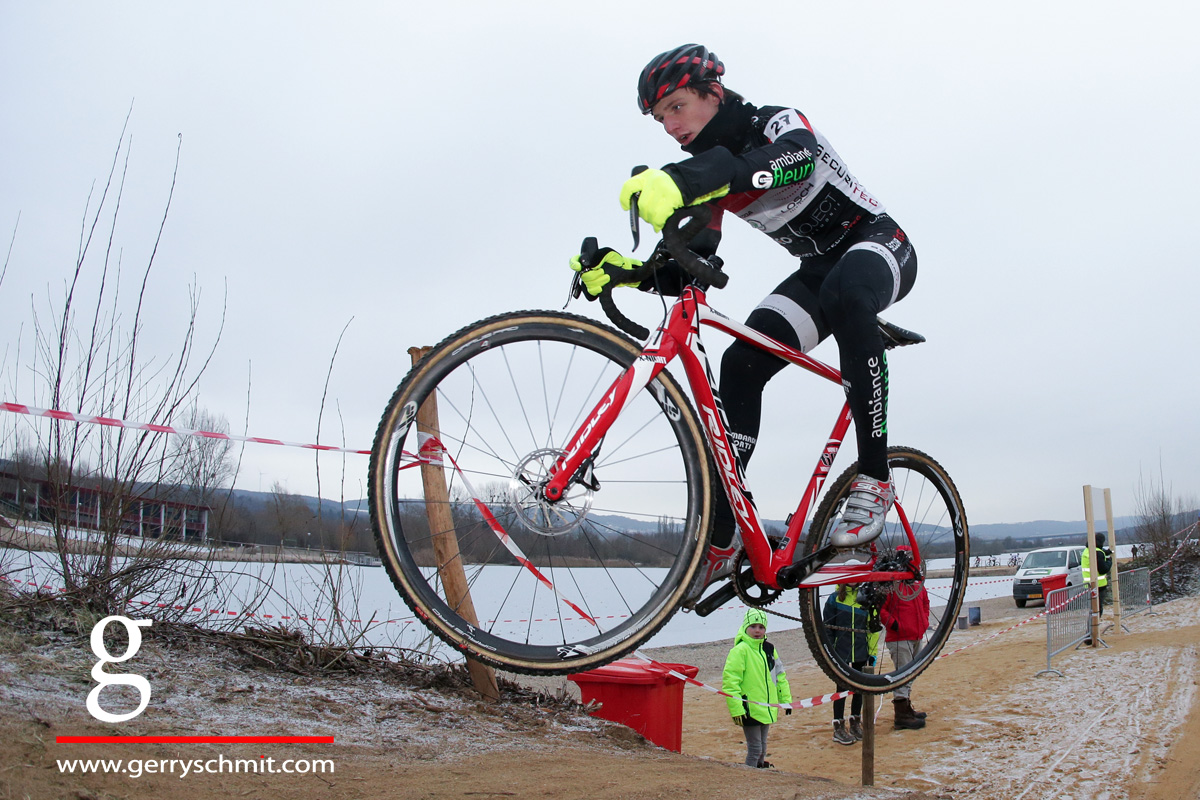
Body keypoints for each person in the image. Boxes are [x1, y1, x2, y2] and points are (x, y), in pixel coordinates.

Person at [569, 44, 918, 603]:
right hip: (818, 271)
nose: (670, 126)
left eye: (677, 108)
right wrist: (624, 272)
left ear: (713, 91)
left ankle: (874, 480)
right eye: (662, 119)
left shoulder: (771, 121)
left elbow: (795, 157)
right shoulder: (707, 172)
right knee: (741, 362)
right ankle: (727, 533)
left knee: (848, 291)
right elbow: (690, 267)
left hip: (881, 244)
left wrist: (689, 179)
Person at [721, 608, 792, 767]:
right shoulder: (740, 650)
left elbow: (779, 675)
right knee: (755, 748)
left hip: (767, 707)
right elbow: (730, 682)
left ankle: (760, 771)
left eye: (761, 627)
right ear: (746, 627)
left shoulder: (769, 648)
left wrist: (786, 700)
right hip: (749, 708)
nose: (757, 631)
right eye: (753, 626)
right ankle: (750, 777)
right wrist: (737, 709)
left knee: (763, 746)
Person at [879, 546, 929, 730]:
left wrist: (924, 622)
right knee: (902, 675)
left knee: (911, 674)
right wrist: (894, 624)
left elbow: (925, 602)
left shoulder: (917, 584)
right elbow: (881, 610)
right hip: (899, 637)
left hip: (917, 634)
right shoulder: (891, 585)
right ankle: (901, 715)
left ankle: (906, 708)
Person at [823, 584, 880, 745]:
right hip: (840, 653)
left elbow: (872, 629)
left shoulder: (865, 598)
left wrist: (872, 653)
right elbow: (826, 627)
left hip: (861, 652)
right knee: (841, 689)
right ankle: (838, 726)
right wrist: (829, 652)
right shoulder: (834, 599)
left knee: (859, 689)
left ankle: (855, 722)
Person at [1081, 531, 1114, 616]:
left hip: (1088, 584)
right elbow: (1103, 569)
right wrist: (1110, 561)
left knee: (1093, 608)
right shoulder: (1098, 553)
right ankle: (1094, 627)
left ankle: (1092, 627)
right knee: (1097, 609)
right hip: (1099, 585)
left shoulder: (1087, 550)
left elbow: (1098, 552)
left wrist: (1106, 552)